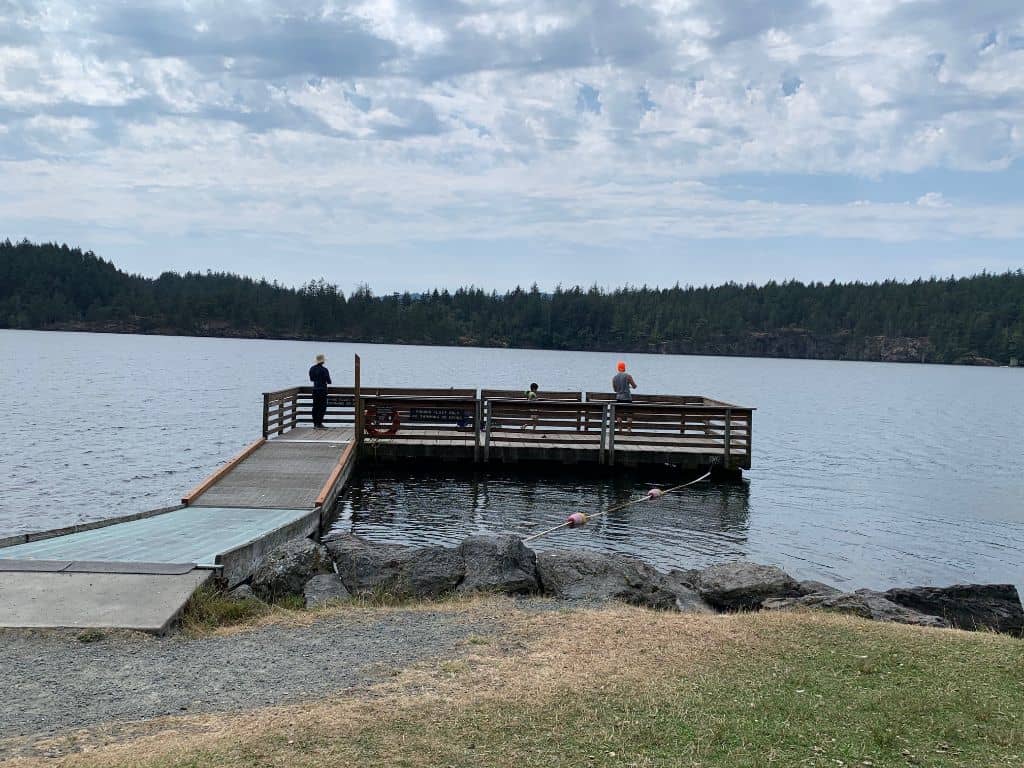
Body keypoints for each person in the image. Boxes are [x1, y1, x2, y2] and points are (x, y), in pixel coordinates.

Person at [612, 361, 636, 433]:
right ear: (624, 368)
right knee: (629, 414)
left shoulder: (614, 378)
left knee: (619, 414)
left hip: (619, 398)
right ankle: (629, 430)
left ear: (618, 368)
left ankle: (620, 430)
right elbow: (634, 386)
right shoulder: (628, 376)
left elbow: (615, 390)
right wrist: (630, 386)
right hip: (627, 398)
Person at [309, 353, 331, 429]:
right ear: (323, 361)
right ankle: (319, 423)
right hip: (322, 391)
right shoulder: (324, 370)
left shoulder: (312, 368)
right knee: (322, 407)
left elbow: (311, 379)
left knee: (315, 407)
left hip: (315, 390)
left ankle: (315, 424)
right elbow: (329, 381)